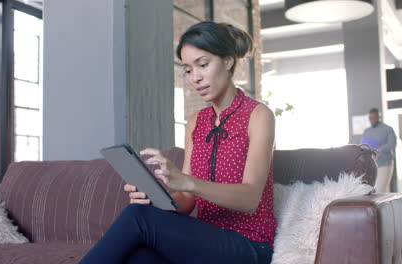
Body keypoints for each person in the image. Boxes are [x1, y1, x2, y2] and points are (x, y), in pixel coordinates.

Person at [80, 21, 276, 264]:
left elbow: (249, 199)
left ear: (227, 61)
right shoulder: (196, 122)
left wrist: (187, 183)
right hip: (203, 241)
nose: (195, 78)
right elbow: (187, 198)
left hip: (248, 245)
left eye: (203, 65)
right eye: (187, 70)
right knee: (140, 257)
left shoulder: (258, 115)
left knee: (137, 216)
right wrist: (156, 200)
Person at [361, 108, 397, 193]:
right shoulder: (367, 131)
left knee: (380, 190)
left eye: (374, 117)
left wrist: (378, 150)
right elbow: (363, 146)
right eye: (370, 118)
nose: (372, 120)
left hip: (384, 164)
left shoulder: (388, 129)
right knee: (382, 192)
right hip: (371, 166)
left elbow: (392, 144)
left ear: (378, 117)